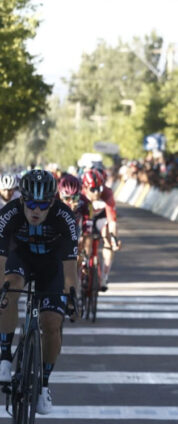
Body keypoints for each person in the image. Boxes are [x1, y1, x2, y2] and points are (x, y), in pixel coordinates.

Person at [0, 169, 79, 414]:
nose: (36, 210)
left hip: (52, 265)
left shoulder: (65, 217)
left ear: (52, 202)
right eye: (31, 203)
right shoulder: (9, 213)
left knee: (52, 323)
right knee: (8, 288)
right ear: (22, 199)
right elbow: (0, 261)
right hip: (19, 258)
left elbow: (69, 268)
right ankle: (4, 358)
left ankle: (44, 385)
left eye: (43, 204)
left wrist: (71, 297)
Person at [81, 169, 121, 292]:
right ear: (85, 188)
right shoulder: (80, 194)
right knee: (82, 239)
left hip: (100, 218)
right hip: (84, 217)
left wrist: (113, 238)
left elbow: (112, 220)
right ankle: (83, 266)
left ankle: (104, 277)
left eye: (100, 188)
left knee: (108, 236)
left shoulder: (107, 193)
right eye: (93, 190)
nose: (98, 193)